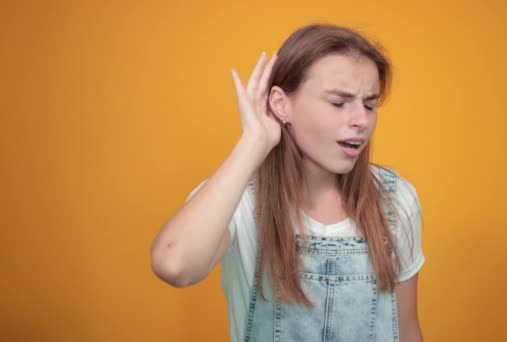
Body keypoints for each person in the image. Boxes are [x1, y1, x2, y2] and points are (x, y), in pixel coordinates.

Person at [150, 23, 425, 342]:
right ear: (282, 105)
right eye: (339, 102)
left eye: (369, 104)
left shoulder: (395, 200)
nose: (361, 121)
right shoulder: (239, 199)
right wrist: (254, 141)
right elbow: (175, 264)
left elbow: (406, 331)